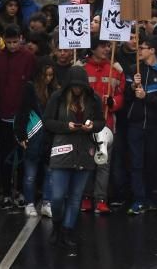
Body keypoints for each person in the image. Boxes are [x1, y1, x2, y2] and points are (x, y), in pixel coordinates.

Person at [44, 66, 103, 252]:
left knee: (76, 196)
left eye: (80, 86)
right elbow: (47, 121)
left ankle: (68, 231)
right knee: (58, 195)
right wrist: (65, 126)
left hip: (84, 152)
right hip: (62, 151)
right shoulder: (58, 98)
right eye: (74, 86)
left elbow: (101, 122)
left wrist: (92, 125)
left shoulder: (93, 100)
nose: (77, 90)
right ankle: (57, 226)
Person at [0, 24, 37, 204]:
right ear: (3, 40)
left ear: (21, 39)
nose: (12, 46)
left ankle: (20, 190)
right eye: (9, 42)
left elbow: (32, 84)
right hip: (4, 113)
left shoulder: (28, 57)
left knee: (22, 153)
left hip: (22, 115)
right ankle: (6, 190)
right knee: (6, 154)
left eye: (15, 42)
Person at [125, 35, 157, 214]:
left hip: (155, 125)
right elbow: (127, 98)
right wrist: (131, 87)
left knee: (152, 162)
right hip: (135, 124)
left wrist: (147, 97)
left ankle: (151, 197)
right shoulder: (134, 69)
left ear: (152, 50)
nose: (139, 50)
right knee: (136, 163)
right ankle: (139, 199)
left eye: (142, 47)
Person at [80, 37, 124, 215]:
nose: (107, 49)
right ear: (93, 49)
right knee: (87, 162)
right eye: (103, 46)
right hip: (86, 125)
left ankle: (101, 199)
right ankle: (86, 197)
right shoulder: (81, 69)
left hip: (107, 125)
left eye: (108, 46)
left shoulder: (115, 69)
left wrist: (114, 102)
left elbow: (121, 94)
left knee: (103, 163)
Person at [15, 58, 57, 217]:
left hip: (48, 138)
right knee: (30, 174)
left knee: (49, 172)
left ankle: (47, 202)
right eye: (45, 75)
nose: (48, 79)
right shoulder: (29, 88)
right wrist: (21, 135)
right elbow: (22, 112)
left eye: (51, 75)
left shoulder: (54, 91)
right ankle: (29, 202)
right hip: (33, 136)